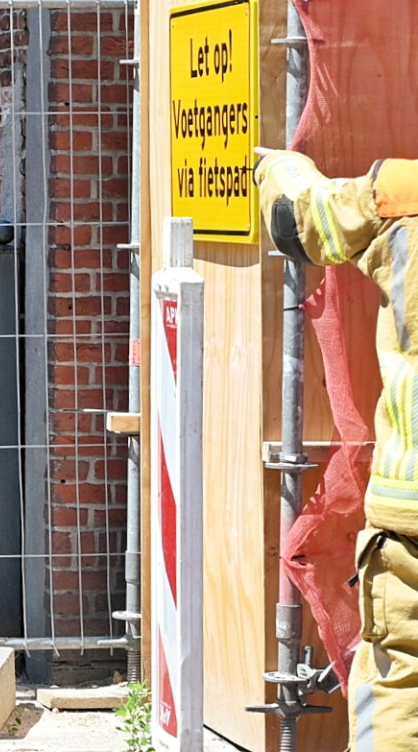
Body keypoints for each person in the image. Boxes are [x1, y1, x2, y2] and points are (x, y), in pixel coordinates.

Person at [254, 146, 418, 746]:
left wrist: (278, 166)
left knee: (403, 683)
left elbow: (299, 218)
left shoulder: (400, 196)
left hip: (411, 518)